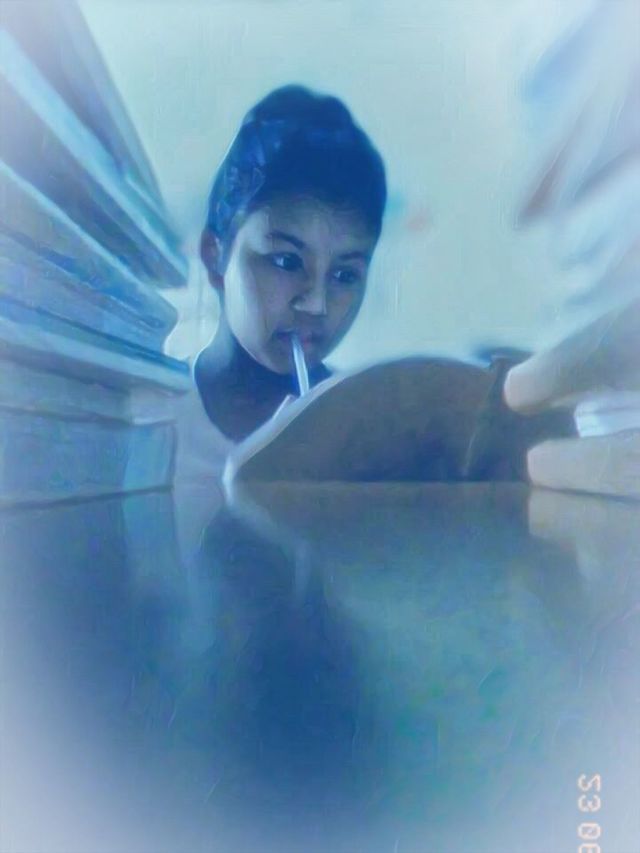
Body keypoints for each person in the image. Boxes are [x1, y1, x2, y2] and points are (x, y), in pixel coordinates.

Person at [172, 82, 574, 490]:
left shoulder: (381, 436)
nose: (316, 304)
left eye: (345, 275)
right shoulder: (154, 417)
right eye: (287, 262)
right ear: (215, 256)